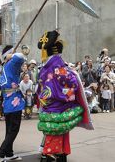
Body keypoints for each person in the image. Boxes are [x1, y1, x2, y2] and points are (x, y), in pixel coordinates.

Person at [37, 30, 94, 162]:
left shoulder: (44, 67)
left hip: (48, 105)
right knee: (58, 134)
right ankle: (55, 156)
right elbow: (69, 82)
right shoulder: (58, 65)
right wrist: (73, 75)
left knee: (52, 133)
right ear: (57, 51)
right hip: (59, 106)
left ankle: (51, 154)